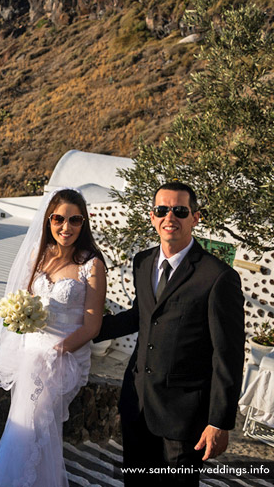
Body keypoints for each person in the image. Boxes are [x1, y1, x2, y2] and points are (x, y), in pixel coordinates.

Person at [94, 182, 245, 486]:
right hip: (137, 404)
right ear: (152, 216)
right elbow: (142, 315)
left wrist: (219, 421)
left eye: (179, 210)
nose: (169, 217)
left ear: (195, 217)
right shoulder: (143, 262)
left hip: (184, 417)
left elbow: (227, 355)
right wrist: (84, 328)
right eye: (162, 210)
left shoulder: (218, 277)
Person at [0, 188, 107, 486]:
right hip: (30, 353)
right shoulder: (39, 257)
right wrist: (19, 316)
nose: (66, 227)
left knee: (35, 424)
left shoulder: (91, 265)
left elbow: (92, 327)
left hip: (65, 357)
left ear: (84, 223)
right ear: (48, 220)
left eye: (75, 220)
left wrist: (56, 352)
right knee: (23, 426)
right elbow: (25, 299)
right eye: (59, 219)